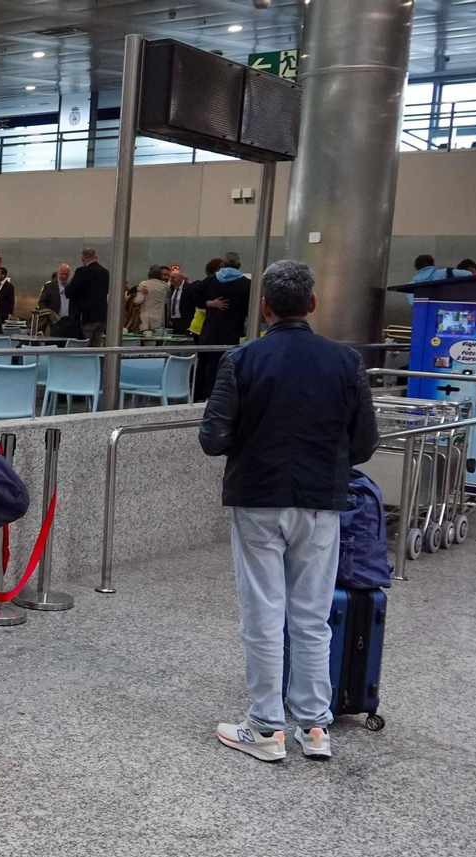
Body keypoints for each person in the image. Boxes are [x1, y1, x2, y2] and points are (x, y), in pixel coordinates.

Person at [199, 259, 379, 764]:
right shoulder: (347, 362)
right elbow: (365, 442)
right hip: (322, 503)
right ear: (313, 304)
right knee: (312, 616)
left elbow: (213, 439)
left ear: (265, 307)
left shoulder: (242, 359)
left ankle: (264, 727)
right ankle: (315, 727)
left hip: (257, 499)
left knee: (263, 614)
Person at [193, 251, 253, 401]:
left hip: (210, 332)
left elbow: (192, 294)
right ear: (239, 265)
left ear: (222, 264)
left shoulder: (211, 280)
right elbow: (249, 308)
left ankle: (205, 397)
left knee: (207, 367)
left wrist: (209, 303)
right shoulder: (246, 284)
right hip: (233, 332)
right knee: (230, 367)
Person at [64, 247, 110, 343]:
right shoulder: (105, 272)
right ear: (96, 257)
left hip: (87, 317)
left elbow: (70, 291)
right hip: (101, 316)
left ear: (82, 258)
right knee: (96, 348)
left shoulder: (82, 271)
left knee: (85, 347)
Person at [136, 265, 169, 333]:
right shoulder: (165, 286)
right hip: (158, 320)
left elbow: (138, 301)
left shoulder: (144, 284)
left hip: (145, 320)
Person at [164, 266, 191, 334]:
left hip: (184, 321)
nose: (171, 279)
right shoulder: (171, 289)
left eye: (173, 277)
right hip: (173, 321)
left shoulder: (189, 288)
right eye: (170, 277)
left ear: (181, 278)